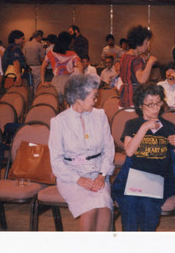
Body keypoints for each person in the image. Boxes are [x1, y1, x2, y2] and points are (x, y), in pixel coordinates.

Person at [111, 84, 175, 231]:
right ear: (140, 105)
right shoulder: (132, 124)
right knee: (129, 203)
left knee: (148, 205)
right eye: (150, 104)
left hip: (160, 179)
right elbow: (129, 151)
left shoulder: (169, 127)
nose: (156, 108)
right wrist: (144, 127)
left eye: (158, 102)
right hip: (135, 177)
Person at [48, 74, 115, 231]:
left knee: (104, 207)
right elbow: (56, 161)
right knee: (90, 208)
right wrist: (79, 179)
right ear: (78, 96)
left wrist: (102, 175)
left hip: (97, 173)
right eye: (94, 96)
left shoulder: (100, 116)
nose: (96, 100)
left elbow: (109, 149)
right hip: (71, 177)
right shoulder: (59, 121)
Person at [119, 25, 158, 108]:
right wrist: (150, 62)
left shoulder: (124, 57)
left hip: (123, 98)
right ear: (138, 43)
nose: (148, 45)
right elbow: (142, 79)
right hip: (133, 99)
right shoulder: (136, 60)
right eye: (146, 42)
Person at [40, 31, 83, 100]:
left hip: (56, 82)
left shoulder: (51, 52)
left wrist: (43, 82)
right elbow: (80, 68)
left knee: (57, 105)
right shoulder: (72, 54)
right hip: (69, 82)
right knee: (68, 105)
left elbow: (43, 67)